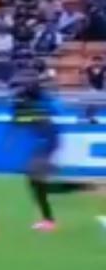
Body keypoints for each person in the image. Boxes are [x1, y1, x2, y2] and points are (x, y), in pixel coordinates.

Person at [13, 70, 101, 231]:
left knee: (38, 185)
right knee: (39, 185)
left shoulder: (36, 106)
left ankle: (79, 190)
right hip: (47, 144)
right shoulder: (41, 104)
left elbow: (20, 118)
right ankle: (80, 190)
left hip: (46, 145)